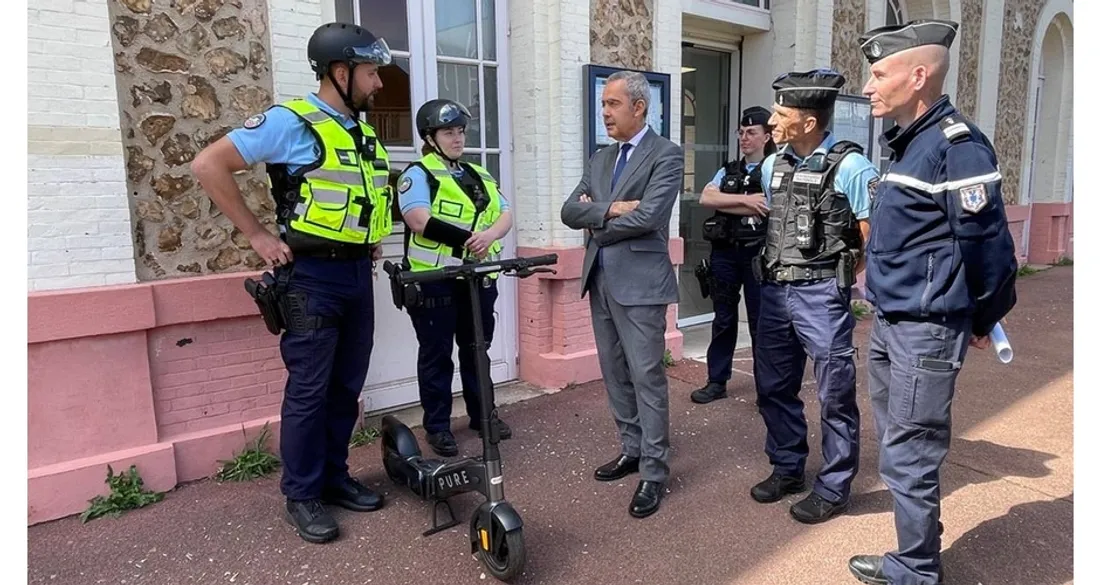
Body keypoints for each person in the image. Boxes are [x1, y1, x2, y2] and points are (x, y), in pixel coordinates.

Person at [191, 21, 394, 544]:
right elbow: (208, 164)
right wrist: (257, 235)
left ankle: (334, 477)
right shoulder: (291, 122)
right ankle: (301, 495)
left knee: (346, 387)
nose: (379, 83)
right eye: (371, 72)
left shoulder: (361, 130)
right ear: (340, 71)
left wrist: (367, 238)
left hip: (355, 274)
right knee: (309, 389)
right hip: (311, 280)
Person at [847, 20, 1017, 585]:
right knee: (900, 445)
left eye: (878, 73)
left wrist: (984, 313)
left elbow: (988, 245)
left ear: (918, 76)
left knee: (911, 453)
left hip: (925, 330)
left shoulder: (956, 147)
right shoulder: (911, 144)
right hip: (894, 324)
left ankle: (917, 569)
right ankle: (919, 551)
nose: (869, 86)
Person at [749, 69, 879, 525]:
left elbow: (868, 234)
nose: (772, 122)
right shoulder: (771, 165)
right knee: (773, 386)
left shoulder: (852, 167)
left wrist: (835, 276)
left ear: (808, 122)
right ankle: (787, 467)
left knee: (835, 392)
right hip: (774, 291)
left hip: (821, 294)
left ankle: (834, 486)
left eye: (782, 114)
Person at [560, 70, 684, 519]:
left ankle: (654, 469)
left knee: (646, 375)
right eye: (603, 105)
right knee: (614, 372)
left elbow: (651, 217)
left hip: (641, 285)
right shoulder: (599, 158)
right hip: (601, 281)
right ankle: (632, 448)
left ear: (639, 108)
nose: (605, 113)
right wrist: (610, 208)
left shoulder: (666, 154)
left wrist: (597, 225)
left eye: (613, 104)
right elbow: (568, 210)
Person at [395, 98, 515, 458]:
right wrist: (467, 240)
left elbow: (505, 213)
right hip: (435, 280)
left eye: (461, 131)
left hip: (477, 279)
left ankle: (483, 416)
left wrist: (491, 236)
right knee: (436, 355)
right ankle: (437, 426)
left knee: (478, 349)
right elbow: (418, 219)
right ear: (430, 137)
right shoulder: (417, 175)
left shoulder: (479, 174)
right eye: (449, 132)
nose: (458, 138)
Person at [690, 106, 776, 405]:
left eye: (751, 132)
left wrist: (732, 202)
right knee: (723, 319)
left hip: (757, 256)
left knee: (759, 323)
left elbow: (767, 205)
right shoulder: (728, 170)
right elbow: (706, 197)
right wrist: (746, 200)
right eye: (741, 132)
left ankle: (768, 389)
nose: (744, 138)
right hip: (724, 254)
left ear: (767, 136)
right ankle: (717, 381)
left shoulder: (775, 168)